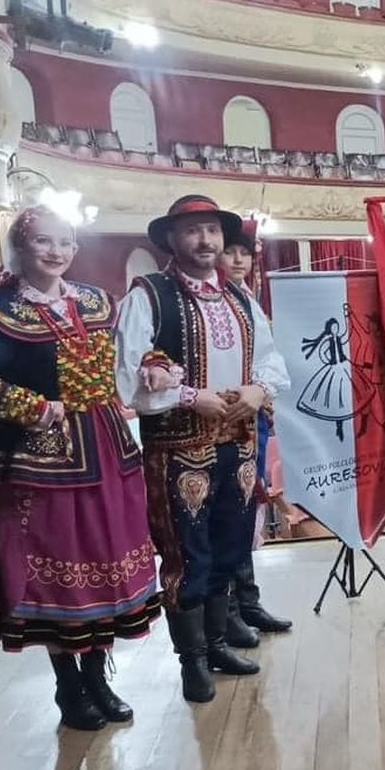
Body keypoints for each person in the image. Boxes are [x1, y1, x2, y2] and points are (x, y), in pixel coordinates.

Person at [0, 206, 161, 730]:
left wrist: (152, 367)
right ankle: (68, 687)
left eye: (66, 242)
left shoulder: (96, 300)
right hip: (43, 463)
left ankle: (99, 677)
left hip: (104, 450)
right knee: (57, 572)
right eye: (43, 242)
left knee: (105, 563)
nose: (57, 252)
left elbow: (129, 355)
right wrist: (29, 406)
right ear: (21, 247)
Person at [116, 194, 290, 703]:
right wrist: (192, 396)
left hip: (237, 445)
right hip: (176, 448)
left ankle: (216, 644)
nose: (206, 240)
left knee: (230, 547)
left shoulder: (239, 298)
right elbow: (126, 378)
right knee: (187, 556)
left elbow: (271, 359)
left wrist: (259, 390)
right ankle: (191, 661)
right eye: (193, 230)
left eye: (212, 230)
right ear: (171, 238)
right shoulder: (148, 295)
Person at [216, 220, 294, 644]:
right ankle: (227, 609)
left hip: (254, 416)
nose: (238, 260)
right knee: (229, 512)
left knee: (247, 505)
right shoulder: (212, 300)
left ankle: (247, 600)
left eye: (245, 253)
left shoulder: (247, 297)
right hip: (224, 417)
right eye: (231, 252)